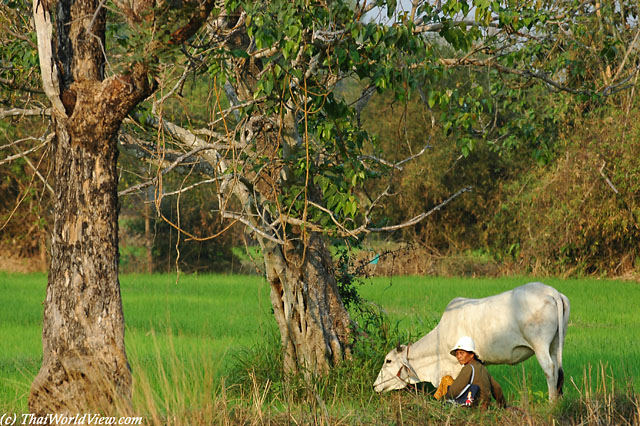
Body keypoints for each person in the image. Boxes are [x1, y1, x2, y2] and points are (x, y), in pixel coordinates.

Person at [438, 336, 506, 409]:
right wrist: (503, 406)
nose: (458, 356)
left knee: (446, 380)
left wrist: (442, 400)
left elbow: (454, 390)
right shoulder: (483, 369)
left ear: (471, 355)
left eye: (462, 353)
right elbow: (497, 388)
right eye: (457, 353)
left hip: (472, 408)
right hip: (484, 408)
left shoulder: (469, 368)